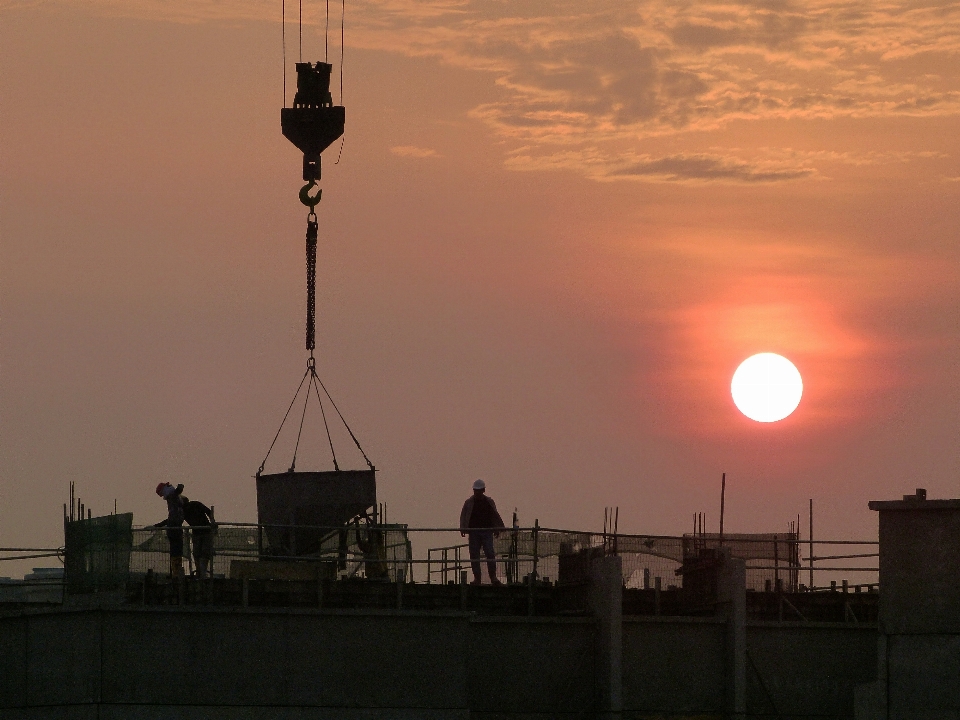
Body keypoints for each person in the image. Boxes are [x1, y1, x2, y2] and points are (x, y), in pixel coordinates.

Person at [459, 479, 505, 586]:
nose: (477, 492)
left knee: (490, 553)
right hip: (474, 532)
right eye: (476, 490)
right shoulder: (469, 502)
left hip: (487, 531)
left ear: (483, 490)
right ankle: (477, 579)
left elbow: (494, 515)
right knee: (474, 554)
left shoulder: (489, 502)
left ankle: (493, 577)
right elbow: (463, 516)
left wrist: (496, 528)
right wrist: (463, 528)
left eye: (479, 490)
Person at [152, 482, 185, 579]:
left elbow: (178, 490)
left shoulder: (172, 498)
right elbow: (178, 490)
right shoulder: (175, 499)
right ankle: (176, 572)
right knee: (177, 551)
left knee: (175, 551)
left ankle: (175, 572)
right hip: (175, 528)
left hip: (173, 527)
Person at [181, 496, 216, 579]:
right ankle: (201, 572)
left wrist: (212, 520)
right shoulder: (193, 505)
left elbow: (208, 511)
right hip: (202, 531)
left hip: (202, 532)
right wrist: (212, 520)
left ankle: (200, 572)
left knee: (200, 553)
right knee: (201, 553)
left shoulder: (184, 510)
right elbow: (208, 511)